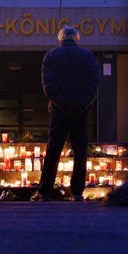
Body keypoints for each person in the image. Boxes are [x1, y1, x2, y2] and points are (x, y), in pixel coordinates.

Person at [30, 26, 101, 202]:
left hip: (59, 111)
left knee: (53, 151)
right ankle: (77, 192)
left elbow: (49, 84)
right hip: (81, 111)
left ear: (60, 39)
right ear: (76, 38)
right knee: (80, 151)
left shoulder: (51, 56)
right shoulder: (88, 56)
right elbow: (94, 83)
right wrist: (81, 103)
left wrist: (63, 103)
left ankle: (44, 191)